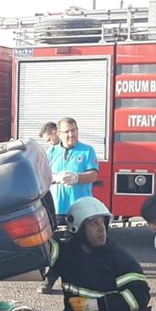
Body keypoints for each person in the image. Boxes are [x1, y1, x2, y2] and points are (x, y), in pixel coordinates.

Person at [39, 117, 99, 293]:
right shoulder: (51, 152)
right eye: (67, 131)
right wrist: (55, 177)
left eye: (74, 130)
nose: (71, 134)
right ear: (58, 133)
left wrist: (77, 177)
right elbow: (43, 175)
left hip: (80, 209)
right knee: (56, 248)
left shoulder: (87, 150)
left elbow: (93, 175)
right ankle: (50, 279)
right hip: (58, 208)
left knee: (81, 247)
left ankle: (77, 283)